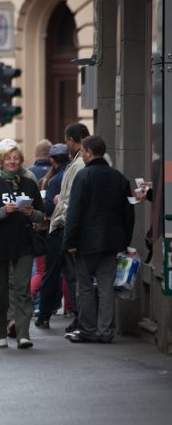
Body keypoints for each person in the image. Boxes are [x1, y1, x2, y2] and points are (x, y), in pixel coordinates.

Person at [63, 136, 134, 343]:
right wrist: (124, 240)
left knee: (84, 287)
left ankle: (87, 329)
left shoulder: (84, 176)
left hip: (86, 243)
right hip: (112, 242)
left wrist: (70, 242)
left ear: (87, 152)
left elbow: (74, 212)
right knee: (106, 287)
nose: (82, 156)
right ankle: (104, 331)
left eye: (83, 152)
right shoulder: (119, 178)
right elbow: (128, 214)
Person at [0, 144, 45, 349]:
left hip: (23, 242)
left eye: (16, 158)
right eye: (8, 158)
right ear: (1, 161)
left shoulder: (29, 184)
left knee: (23, 289)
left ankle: (23, 334)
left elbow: (42, 216)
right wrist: (2, 211)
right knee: (1, 291)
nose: (12, 161)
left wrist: (30, 214)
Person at [45, 123, 92, 332]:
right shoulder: (79, 161)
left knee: (74, 277)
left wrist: (63, 221)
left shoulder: (81, 162)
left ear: (73, 140)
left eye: (67, 141)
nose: (67, 145)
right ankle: (77, 317)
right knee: (72, 276)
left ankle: (79, 318)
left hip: (67, 225)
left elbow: (73, 198)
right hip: (68, 222)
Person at [35, 143, 72, 328]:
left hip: (56, 230)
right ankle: (75, 312)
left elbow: (48, 208)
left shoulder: (53, 180)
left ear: (52, 160)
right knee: (71, 275)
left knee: (50, 274)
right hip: (73, 230)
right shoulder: (72, 173)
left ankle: (44, 315)